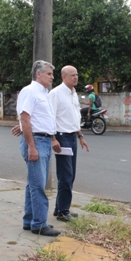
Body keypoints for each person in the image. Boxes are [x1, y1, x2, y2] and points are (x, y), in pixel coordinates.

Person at [15, 60, 61, 236]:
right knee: (38, 185)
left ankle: (30, 221)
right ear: (38, 74)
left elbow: (44, 120)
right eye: (49, 74)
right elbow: (25, 120)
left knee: (33, 184)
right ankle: (39, 224)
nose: (52, 77)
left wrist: (53, 139)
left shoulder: (44, 93)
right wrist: (31, 147)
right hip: (36, 141)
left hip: (44, 141)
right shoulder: (30, 91)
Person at [48, 65, 89, 222]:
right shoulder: (56, 94)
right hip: (62, 137)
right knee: (66, 175)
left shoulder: (73, 94)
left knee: (70, 175)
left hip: (72, 137)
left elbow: (74, 117)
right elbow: (50, 117)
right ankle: (63, 211)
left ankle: (60, 208)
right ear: (63, 77)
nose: (76, 77)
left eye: (77, 74)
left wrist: (80, 136)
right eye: (72, 75)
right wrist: (53, 139)